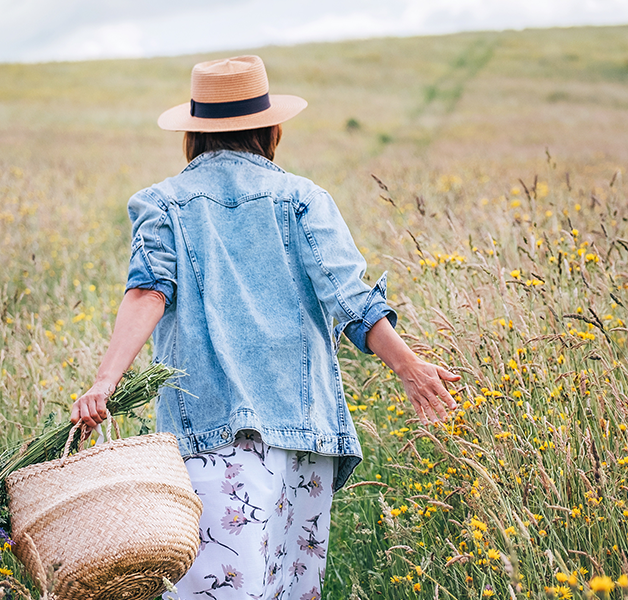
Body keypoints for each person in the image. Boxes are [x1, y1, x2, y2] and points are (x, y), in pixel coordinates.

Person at [71, 55, 459, 599]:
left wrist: (103, 384)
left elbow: (148, 293)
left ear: (193, 133)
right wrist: (411, 368)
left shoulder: (163, 204)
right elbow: (352, 298)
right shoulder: (303, 199)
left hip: (211, 434)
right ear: (272, 128)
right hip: (305, 437)